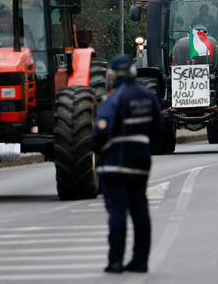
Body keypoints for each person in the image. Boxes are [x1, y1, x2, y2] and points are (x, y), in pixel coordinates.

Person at [91, 54, 162, 274]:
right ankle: (140, 260)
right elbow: (158, 129)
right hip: (140, 162)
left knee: (117, 212)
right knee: (140, 210)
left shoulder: (113, 99)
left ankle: (116, 261)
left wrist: (97, 148)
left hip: (114, 164)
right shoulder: (147, 96)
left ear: (112, 75)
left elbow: (101, 131)